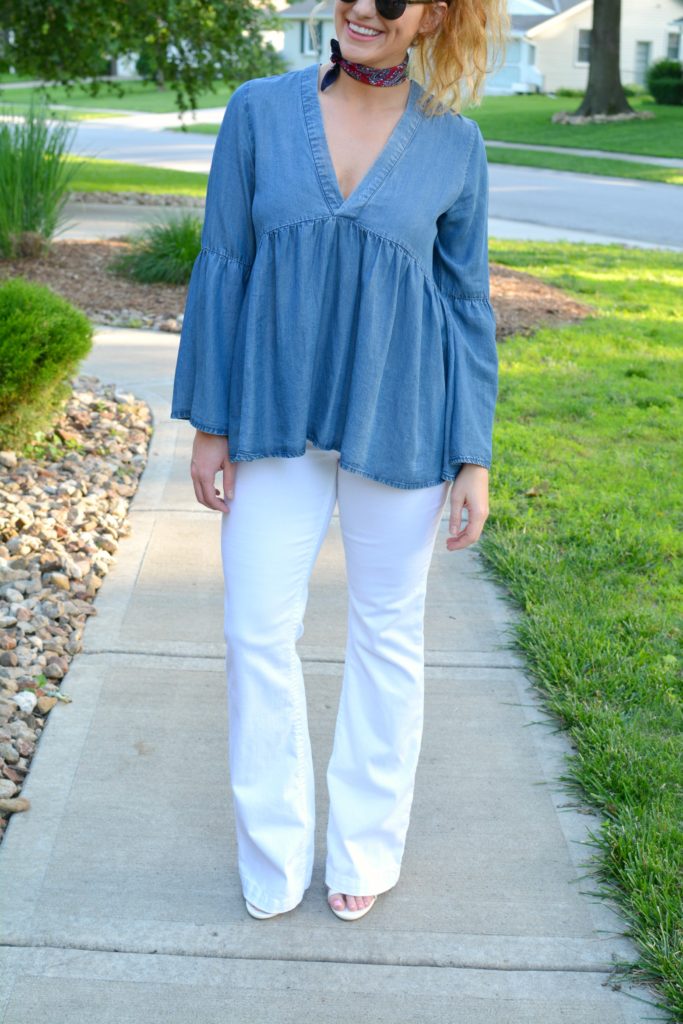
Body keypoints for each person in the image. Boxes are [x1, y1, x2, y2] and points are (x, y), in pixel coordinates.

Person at [170, 0, 506, 922]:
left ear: (430, 16)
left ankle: (363, 845)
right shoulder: (258, 112)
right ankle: (273, 848)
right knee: (253, 629)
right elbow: (224, 259)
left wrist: (471, 456)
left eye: (393, 0)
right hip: (274, 413)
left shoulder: (455, 144)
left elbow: (466, 305)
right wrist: (209, 421)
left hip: (402, 421)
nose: (365, 8)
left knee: (387, 632)